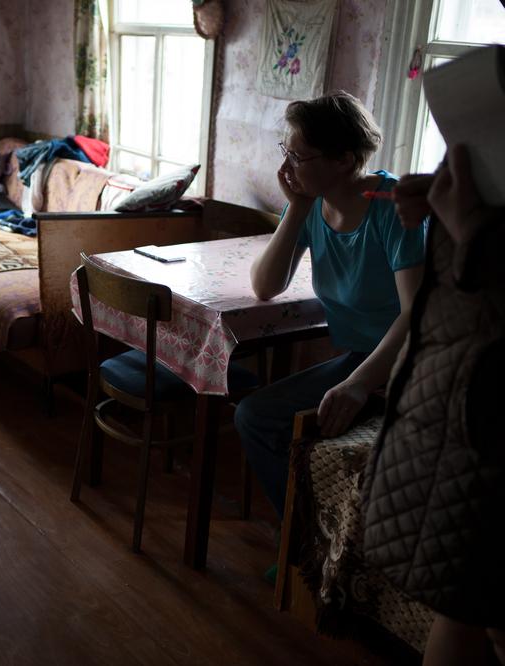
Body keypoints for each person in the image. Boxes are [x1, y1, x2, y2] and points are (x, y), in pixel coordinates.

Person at [235, 91, 426, 527]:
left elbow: (417, 315)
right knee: (257, 416)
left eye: (299, 156)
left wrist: (358, 384)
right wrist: (297, 208)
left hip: (409, 364)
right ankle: (305, 538)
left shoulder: (393, 208)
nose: (286, 167)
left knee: (261, 417)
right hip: (362, 358)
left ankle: (308, 539)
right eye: (286, 151)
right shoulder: (314, 203)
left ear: (343, 160)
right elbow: (265, 285)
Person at [363, 144, 504, 665]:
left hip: (478, 391)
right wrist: (443, 206)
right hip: (460, 387)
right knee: (466, 608)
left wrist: (473, 228)